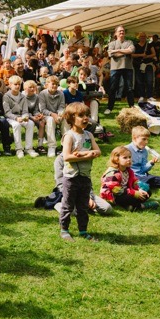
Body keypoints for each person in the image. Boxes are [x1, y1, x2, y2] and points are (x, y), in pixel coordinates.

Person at [59, 102, 101, 241]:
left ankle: (83, 231)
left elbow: (97, 151)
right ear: (71, 118)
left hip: (85, 177)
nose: (85, 118)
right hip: (71, 178)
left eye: (87, 115)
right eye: (81, 115)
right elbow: (67, 157)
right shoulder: (69, 136)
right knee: (68, 206)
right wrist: (87, 155)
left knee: (83, 207)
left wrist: (83, 154)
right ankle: (64, 229)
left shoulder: (89, 135)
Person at [100, 146, 158, 211]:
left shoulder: (128, 170)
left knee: (148, 192)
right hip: (113, 195)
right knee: (129, 198)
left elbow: (134, 181)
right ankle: (141, 206)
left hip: (126, 191)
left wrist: (139, 190)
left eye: (129, 157)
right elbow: (116, 190)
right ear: (116, 159)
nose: (128, 159)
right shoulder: (112, 173)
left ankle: (129, 206)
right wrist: (134, 193)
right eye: (125, 158)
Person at [3, 75, 37, 158]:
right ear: (10, 85)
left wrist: (25, 117)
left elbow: (25, 110)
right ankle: (19, 149)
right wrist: (16, 118)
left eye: (19, 84)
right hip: (11, 118)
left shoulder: (23, 96)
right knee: (16, 125)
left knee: (30, 124)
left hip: (21, 117)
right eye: (15, 84)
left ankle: (29, 148)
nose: (18, 86)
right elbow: (7, 112)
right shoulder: (6, 96)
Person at [126, 126, 160, 190]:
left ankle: (141, 184)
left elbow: (143, 169)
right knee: (143, 181)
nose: (146, 142)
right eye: (144, 139)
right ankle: (138, 184)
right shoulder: (126, 150)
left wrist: (151, 163)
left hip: (142, 175)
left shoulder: (144, 151)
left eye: (147, 139)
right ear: (135, 138)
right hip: (131, 175)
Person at [104, 25, 135, 115]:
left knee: (129, 88)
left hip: (128, 68)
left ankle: (132, 106)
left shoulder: (129, 42)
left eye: (123, 31)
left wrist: (116, 51)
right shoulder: (112, 43)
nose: (122, 32)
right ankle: (109, 108)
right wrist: (124, 51)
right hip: (115, 68)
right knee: (113, 88)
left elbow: (131, 51)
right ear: (116, 33)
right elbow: (112, 55)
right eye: (120, 31)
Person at [39, 75, 66, 158]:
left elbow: (61, 106)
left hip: (57, 114)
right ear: (47, 84)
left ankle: (65, 145)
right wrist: (53, 114)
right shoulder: (42, 94)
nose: (55, 86)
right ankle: (51, 146)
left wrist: (60, 115)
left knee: (66, 120)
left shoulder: (61, 93)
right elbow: (42, 109)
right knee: (50, 120)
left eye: (56, 84)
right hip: (47, 115)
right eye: (53, 84)